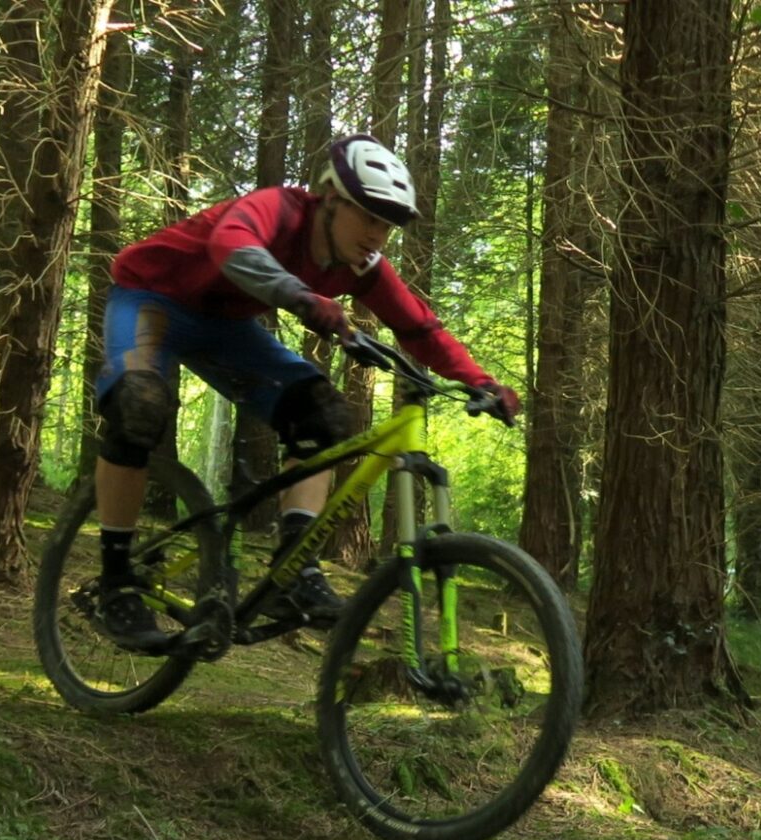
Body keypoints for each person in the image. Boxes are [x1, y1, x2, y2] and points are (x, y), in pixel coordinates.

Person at [93, 134, 519, 652]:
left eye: (386, 224)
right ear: (331, 200)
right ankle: (114, 580)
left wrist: (481, 381)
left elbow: (419, 329)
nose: (377, 235)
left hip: (224, 327)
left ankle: (293, 568)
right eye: (368, 217)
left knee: (323, 417)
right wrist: (301, 296)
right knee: (139, 408)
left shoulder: (360, 266)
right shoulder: (279, 208)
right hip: (151, 297)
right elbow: (231, 244)